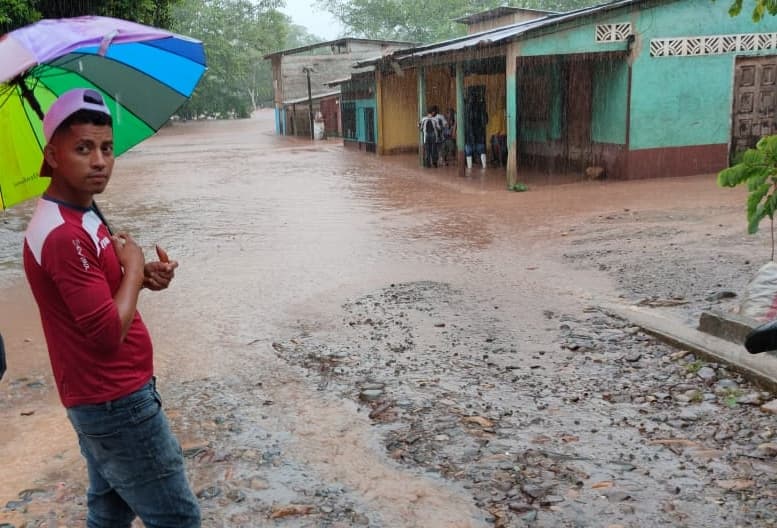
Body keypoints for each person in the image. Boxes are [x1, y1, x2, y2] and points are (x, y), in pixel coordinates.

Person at [22, 88, 201, 528]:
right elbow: (104, 334)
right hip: (115, 400)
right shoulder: (63, 234)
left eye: (106, 148)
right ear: (53, 154)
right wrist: (135, 270)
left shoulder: (82, 215)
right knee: (178, 518)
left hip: (103, 396)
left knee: (109, 511)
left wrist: (143, 278)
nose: (99, 161)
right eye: (82, 148)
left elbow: (104, 290)